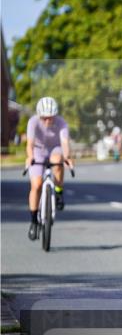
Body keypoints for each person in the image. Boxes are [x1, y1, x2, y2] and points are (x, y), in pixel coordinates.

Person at [25, 97, 73, 240]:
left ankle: (58, 191)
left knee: (58, 160)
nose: (47, 121)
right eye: (44, 118)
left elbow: (64, 143)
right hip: (38, 151)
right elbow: (30, 143)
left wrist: (67, 156)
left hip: (55, 149)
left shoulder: (62, 123)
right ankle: (34, 221)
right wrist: (30, 157)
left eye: (50, 118)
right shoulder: (33, 122)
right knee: (37, 185)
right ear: (40, 116)